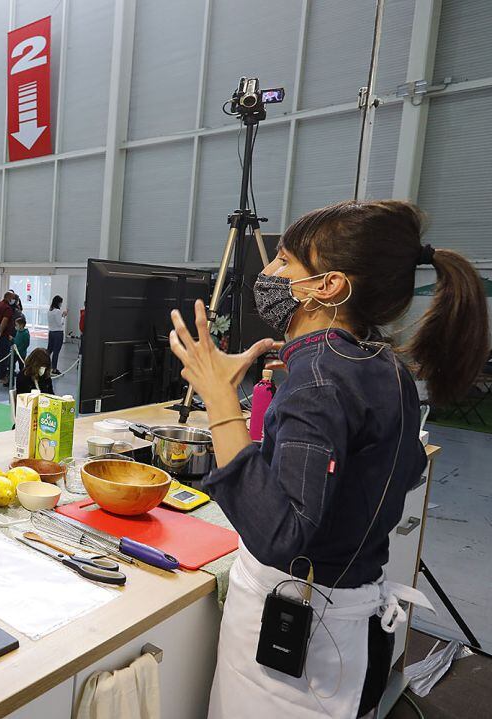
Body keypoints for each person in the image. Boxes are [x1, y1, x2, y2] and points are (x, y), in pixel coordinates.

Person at [166, 201, 490, 717]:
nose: (269, 273)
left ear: (328, 285)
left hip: (301, 640)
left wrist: (221, 399)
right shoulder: (384, 368)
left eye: (285, 261)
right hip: (353, 621)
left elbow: (280, 532)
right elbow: (406, 466)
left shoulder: (318, 380)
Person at [47, 295, 68, 375]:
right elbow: (60, 323)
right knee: (56, 352)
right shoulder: (57, 311)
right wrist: (63, 316)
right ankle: (54, 369)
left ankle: (45, 365)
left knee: (49, 350)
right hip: (58, 333)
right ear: (58, 303)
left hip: (51, 332)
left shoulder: (50, 311)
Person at [12, 316, 31, 385]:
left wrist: (19, 350)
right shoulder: (18, 332)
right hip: (15, 352)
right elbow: (16, 340)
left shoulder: (25, 333)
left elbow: (26, 344)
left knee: (21, 366)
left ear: (21, 325)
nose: (15, 326)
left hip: (21, 354)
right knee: (11, 364)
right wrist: (13, 339)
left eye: (16, 325)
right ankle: (12, 375)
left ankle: (23, 378)